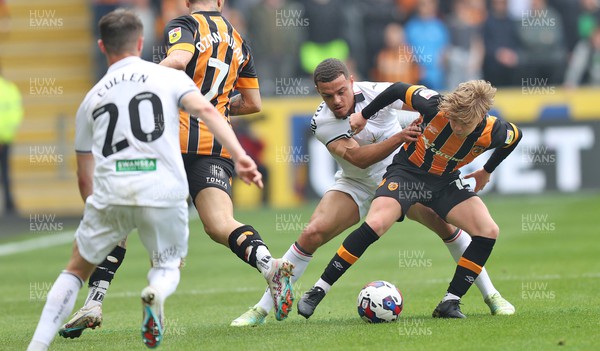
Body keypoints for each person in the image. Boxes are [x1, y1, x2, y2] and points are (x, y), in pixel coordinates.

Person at [27, 9, 263, 350]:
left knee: (74, 271)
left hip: (113, 186)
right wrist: (241, 157)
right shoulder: (168, 79)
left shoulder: (91, 98)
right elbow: (211, 111)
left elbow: (84, 174)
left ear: (101, 46)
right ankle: (155, 293)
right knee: (167, 264)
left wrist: (97, 210)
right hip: (163, 185)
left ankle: (42, 340)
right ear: (140, 42)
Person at [231, 58, 515, 326]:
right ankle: (262, 309)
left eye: (342, 92)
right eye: (328, 96)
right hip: (355, 182)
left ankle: (491, 295)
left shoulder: (374, 93)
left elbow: (414, 98)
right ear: (318, 93)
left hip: (403, 177)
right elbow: (359, 159)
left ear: (352, 82)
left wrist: (420, 125)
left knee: (449, 230)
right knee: (312, 233)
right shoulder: (323, 122)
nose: (337, 101)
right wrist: (400, 136)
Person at [298, 78, 523, 319]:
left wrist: (486, 171)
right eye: (453, 119)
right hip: (407, 174)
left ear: (480, 118)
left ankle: (451, 301)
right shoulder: (434, 106)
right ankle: (318, 290)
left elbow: (516, 137)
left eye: (463, 123)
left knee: (488, 230)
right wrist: (364, 115)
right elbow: (396, 89)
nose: (457, 126)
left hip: (445, 181)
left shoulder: (496, 131)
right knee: (376, 224)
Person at [0, 64, 23, 216]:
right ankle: (9, 204)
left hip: (4, 137)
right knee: (6, 172)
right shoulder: (10, 89)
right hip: (6, 138)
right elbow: (17, 114)